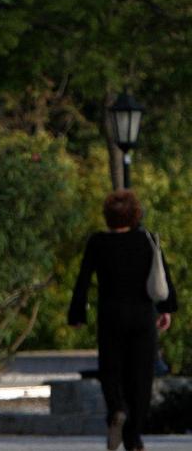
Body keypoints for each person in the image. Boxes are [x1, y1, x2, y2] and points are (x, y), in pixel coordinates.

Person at [69, 189, 178, 451]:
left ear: (107, 216)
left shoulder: (98, 243)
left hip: (111, 316)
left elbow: (83, 280)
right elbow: (162, 278)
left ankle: (117, 408)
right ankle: (134, 438)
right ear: (136, 214)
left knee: (111, 370)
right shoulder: (147, 240)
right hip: (142, 317)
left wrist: (76, 314)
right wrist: (166, 309)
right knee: (141, 377)